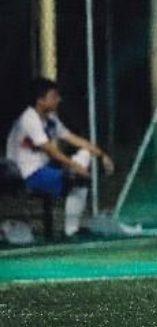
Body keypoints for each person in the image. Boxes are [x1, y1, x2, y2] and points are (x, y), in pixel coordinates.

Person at [5, 78, 115, 237]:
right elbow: (51, 151)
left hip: (44, 168)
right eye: (53, 96)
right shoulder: (29, 119)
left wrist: (102, 154)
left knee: (85, 155)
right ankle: (71, 231)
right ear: (40, 100)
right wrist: (74, 166)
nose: (58, 99)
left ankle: (72, 229)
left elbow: (72, 138)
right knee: (77, 179)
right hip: (27, 173)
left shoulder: (51, 118)